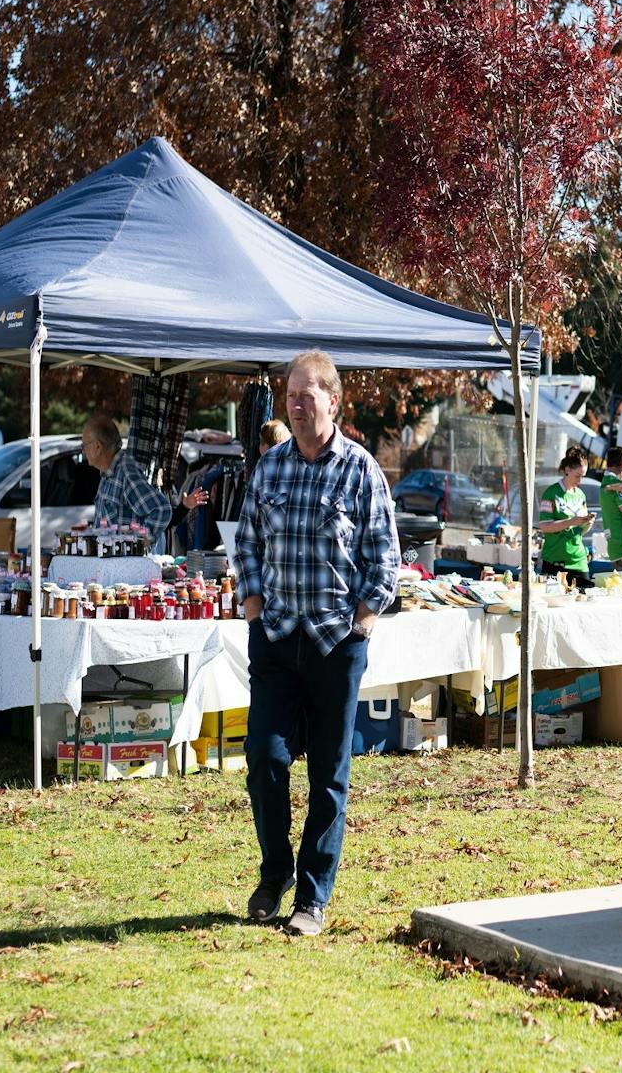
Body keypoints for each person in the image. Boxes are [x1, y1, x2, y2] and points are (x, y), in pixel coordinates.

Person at [234, 349, 399, 937]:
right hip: (276, 639)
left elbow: (384, 556)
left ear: (334, 400)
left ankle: (313, 897)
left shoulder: (360, 470)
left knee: (329, 773)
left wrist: (364, 620)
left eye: (308, 395)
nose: (297, 406)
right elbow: (247, 542)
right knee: (265, 756)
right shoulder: (270, 468)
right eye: (291, 396)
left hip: (336, 645)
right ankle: (276, 870)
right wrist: (253, 605)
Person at [83, 414, 172, 549]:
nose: (83, 451)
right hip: (110, 563)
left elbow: (161, 509)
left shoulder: (125, 472)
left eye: (84, 445)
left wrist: (141, 543)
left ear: (97, 446)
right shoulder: (107, 473)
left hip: (124, 566)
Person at [536, 446, 595, 588]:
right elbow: (544, 526)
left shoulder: (581, 495)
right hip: (554, 561)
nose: (580, 481)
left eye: (583, 476)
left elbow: (581, 531)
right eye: (577, 476)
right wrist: (571, 521)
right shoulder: (551, 493)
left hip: (579, 560)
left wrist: (587, 523)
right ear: (567, 470)